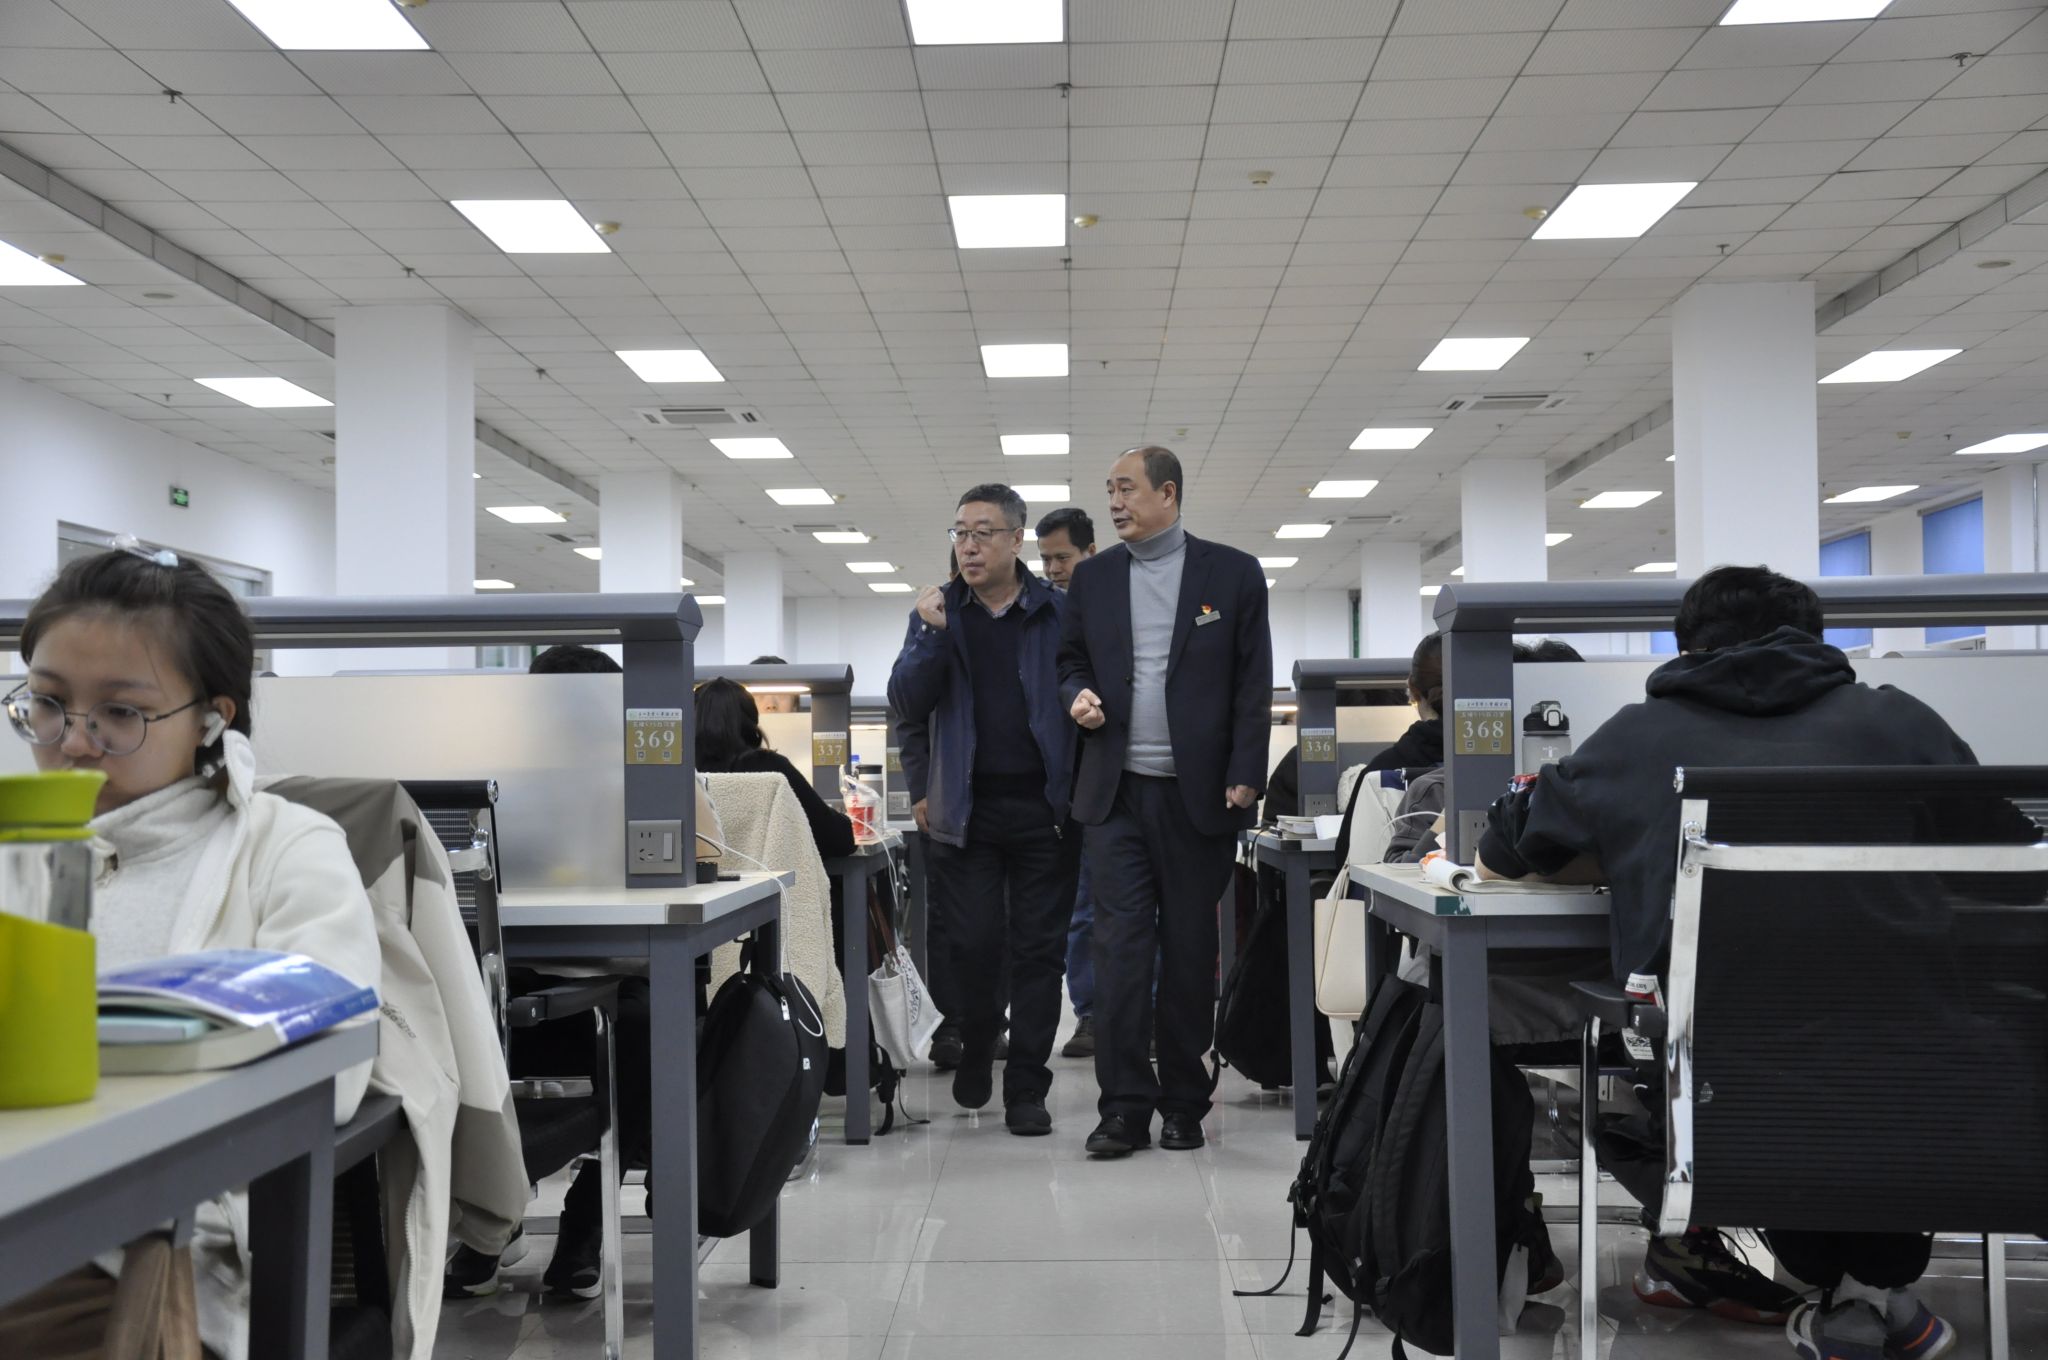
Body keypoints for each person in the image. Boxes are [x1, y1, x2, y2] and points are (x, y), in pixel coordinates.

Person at [1478, 565, 1999, 1359]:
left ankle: (1845, 1292)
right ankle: (1867, 1293)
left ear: (1688, 647)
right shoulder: (1900, 723)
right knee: (1855, 1056)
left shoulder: (1636, 739)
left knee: (1700, 1062)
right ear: (1815, 640)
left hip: (1717, 1086)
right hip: (1917, 1077)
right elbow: (2002, 850)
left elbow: (1504, 849)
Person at [0, 544, 381, 1360]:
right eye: (48, 704)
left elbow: (335, 1063)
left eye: (121, 713)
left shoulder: (283, 847)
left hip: (135, 1249)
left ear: (213, 718)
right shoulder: (15, 844)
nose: (74, 743)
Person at [1059, 446, 1272, 1157]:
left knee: (1187, 951)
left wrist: (1247, 769)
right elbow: (1069, 661)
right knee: (1119, 952)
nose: (1115, 502)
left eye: (1127, 489)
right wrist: (1076, 695)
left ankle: (1184, 1101)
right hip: (1115, 792)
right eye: (1109, 490)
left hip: (1198, 796)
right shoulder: (1093, 579)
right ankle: (1123, 1108)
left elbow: (1253, 679)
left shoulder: (1232, 574)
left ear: (1168, 494)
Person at [887, 483, 1078, 1136]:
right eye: (960, 533)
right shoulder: (937, 613)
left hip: (1045, 811)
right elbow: (908, 706)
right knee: (972, 944)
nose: (968, 546)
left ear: (1016, 539)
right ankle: (975, 1039)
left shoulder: (1056, 612)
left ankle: (1027, 1085)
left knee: (1039, 952)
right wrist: (929, 636)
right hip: (963, 812)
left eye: (983, 533)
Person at [1037, 507, 1103, 1058]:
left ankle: (1146, 1012)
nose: (1054, 568)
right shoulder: (1042, 615)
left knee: (1138, 908)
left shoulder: (1112, 608)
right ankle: (1090, 1014)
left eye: (1063, 557)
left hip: (1117, 778)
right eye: (1046, 559)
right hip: (1066, 790)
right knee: (1080, 910)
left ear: (1090, 553)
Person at [695, 676, 855, 861]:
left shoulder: (682, 777)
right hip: (773, 878)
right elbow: (837, 838)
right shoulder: (770, 768)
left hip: (699, 879)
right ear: (751, 720)